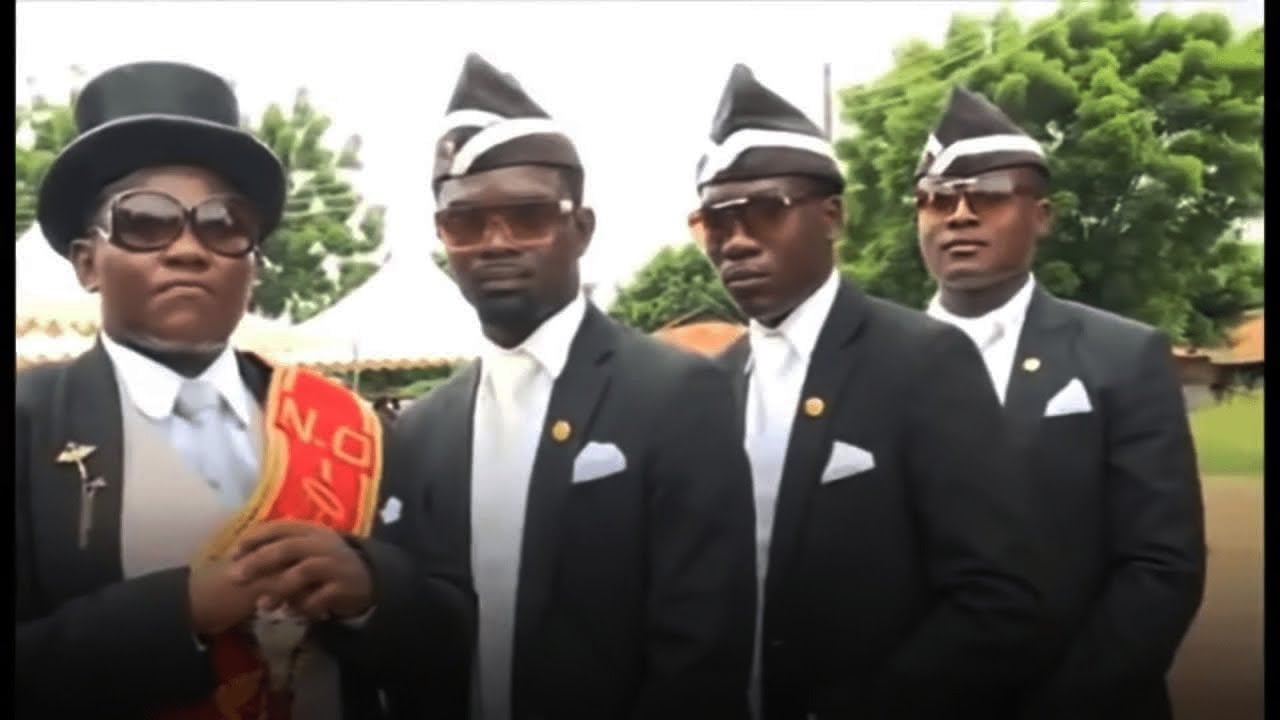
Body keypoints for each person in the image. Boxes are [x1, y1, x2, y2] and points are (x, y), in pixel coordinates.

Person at [15, 61, 474, 719]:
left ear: (252, 262)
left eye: (223, 223)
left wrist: (373, 591)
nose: (188, 249)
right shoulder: (28, 424)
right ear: (88, 262)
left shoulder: (351, 429)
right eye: (145, 220)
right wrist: (178, 614)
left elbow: (453, 638)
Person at [388, 53, 757, 720]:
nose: (495, 242)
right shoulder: (422, 429)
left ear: (580, 229)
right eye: (465, 222)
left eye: (527, 216)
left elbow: (703, 649)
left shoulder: (675, 394)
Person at [694, 64, 1047, 719]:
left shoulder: (924, 361)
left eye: (766, 212)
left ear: (831, 217)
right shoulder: (710, 385)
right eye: (714, 220)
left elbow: (997, 598)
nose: (736, 241)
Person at [914, 86, 1206, 720]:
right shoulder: (866, 368)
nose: (958, 215)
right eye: (937, 198)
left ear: (1042, 215)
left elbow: (1160, 565)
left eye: (988, 195)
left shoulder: (1122, 357)